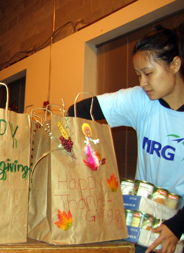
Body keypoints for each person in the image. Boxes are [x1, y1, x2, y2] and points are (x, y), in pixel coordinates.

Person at [68, 22, 184, 253]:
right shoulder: (141, 100)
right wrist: (82, 152)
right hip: (143, 220)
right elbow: (78, 111)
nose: (142, 83)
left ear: (175, 64)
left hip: (177, 226)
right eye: (138, 74)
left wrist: (177, 225)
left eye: (149, 73)